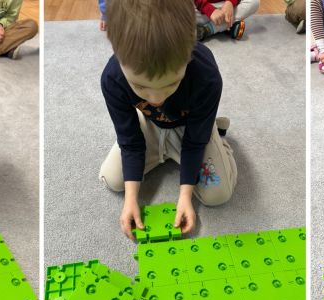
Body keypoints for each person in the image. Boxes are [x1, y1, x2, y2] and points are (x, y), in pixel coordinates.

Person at [99, 0, 237, 241]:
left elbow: (194, 142)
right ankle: (164, 148)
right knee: (113, 179)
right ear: (119, 58)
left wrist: (185, 195)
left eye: (171, 83)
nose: (156, 99)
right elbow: (130, 141)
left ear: (189, 54)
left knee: (218, 195)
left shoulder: (207, 77)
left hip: (190, 128)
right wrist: (131, 199)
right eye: (140, 86)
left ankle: (215, 132)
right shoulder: (112, 78)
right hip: (150, 126)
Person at [194, 0, 260, 41]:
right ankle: (227, 26)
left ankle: (206, 29)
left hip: (225, 5)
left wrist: (230, 2)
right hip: (200, 8)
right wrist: (210, 10)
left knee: (254, 2)